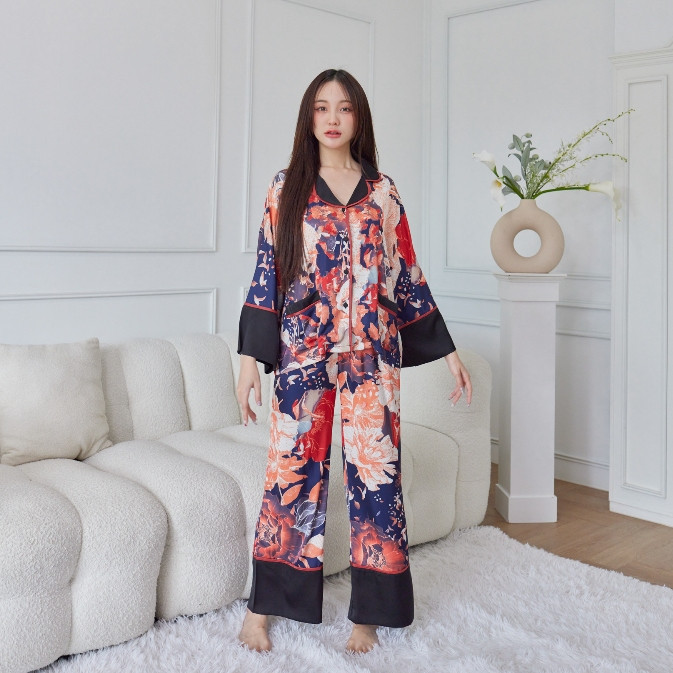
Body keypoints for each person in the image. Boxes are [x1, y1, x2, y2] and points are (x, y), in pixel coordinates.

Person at [236, 68, 472, 654]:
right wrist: (248, 360)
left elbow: (406, 271)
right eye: (321, 108)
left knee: (377, 478)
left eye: (343, 107)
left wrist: (447, 350)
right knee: (291, 476)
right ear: (308, 118)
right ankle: (263, 609)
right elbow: (268, 271)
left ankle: (369, 616)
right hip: (303, 351)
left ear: (358, 116)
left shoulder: (383, 192)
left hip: (372, 352)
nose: (333, 118)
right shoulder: (286, 187)